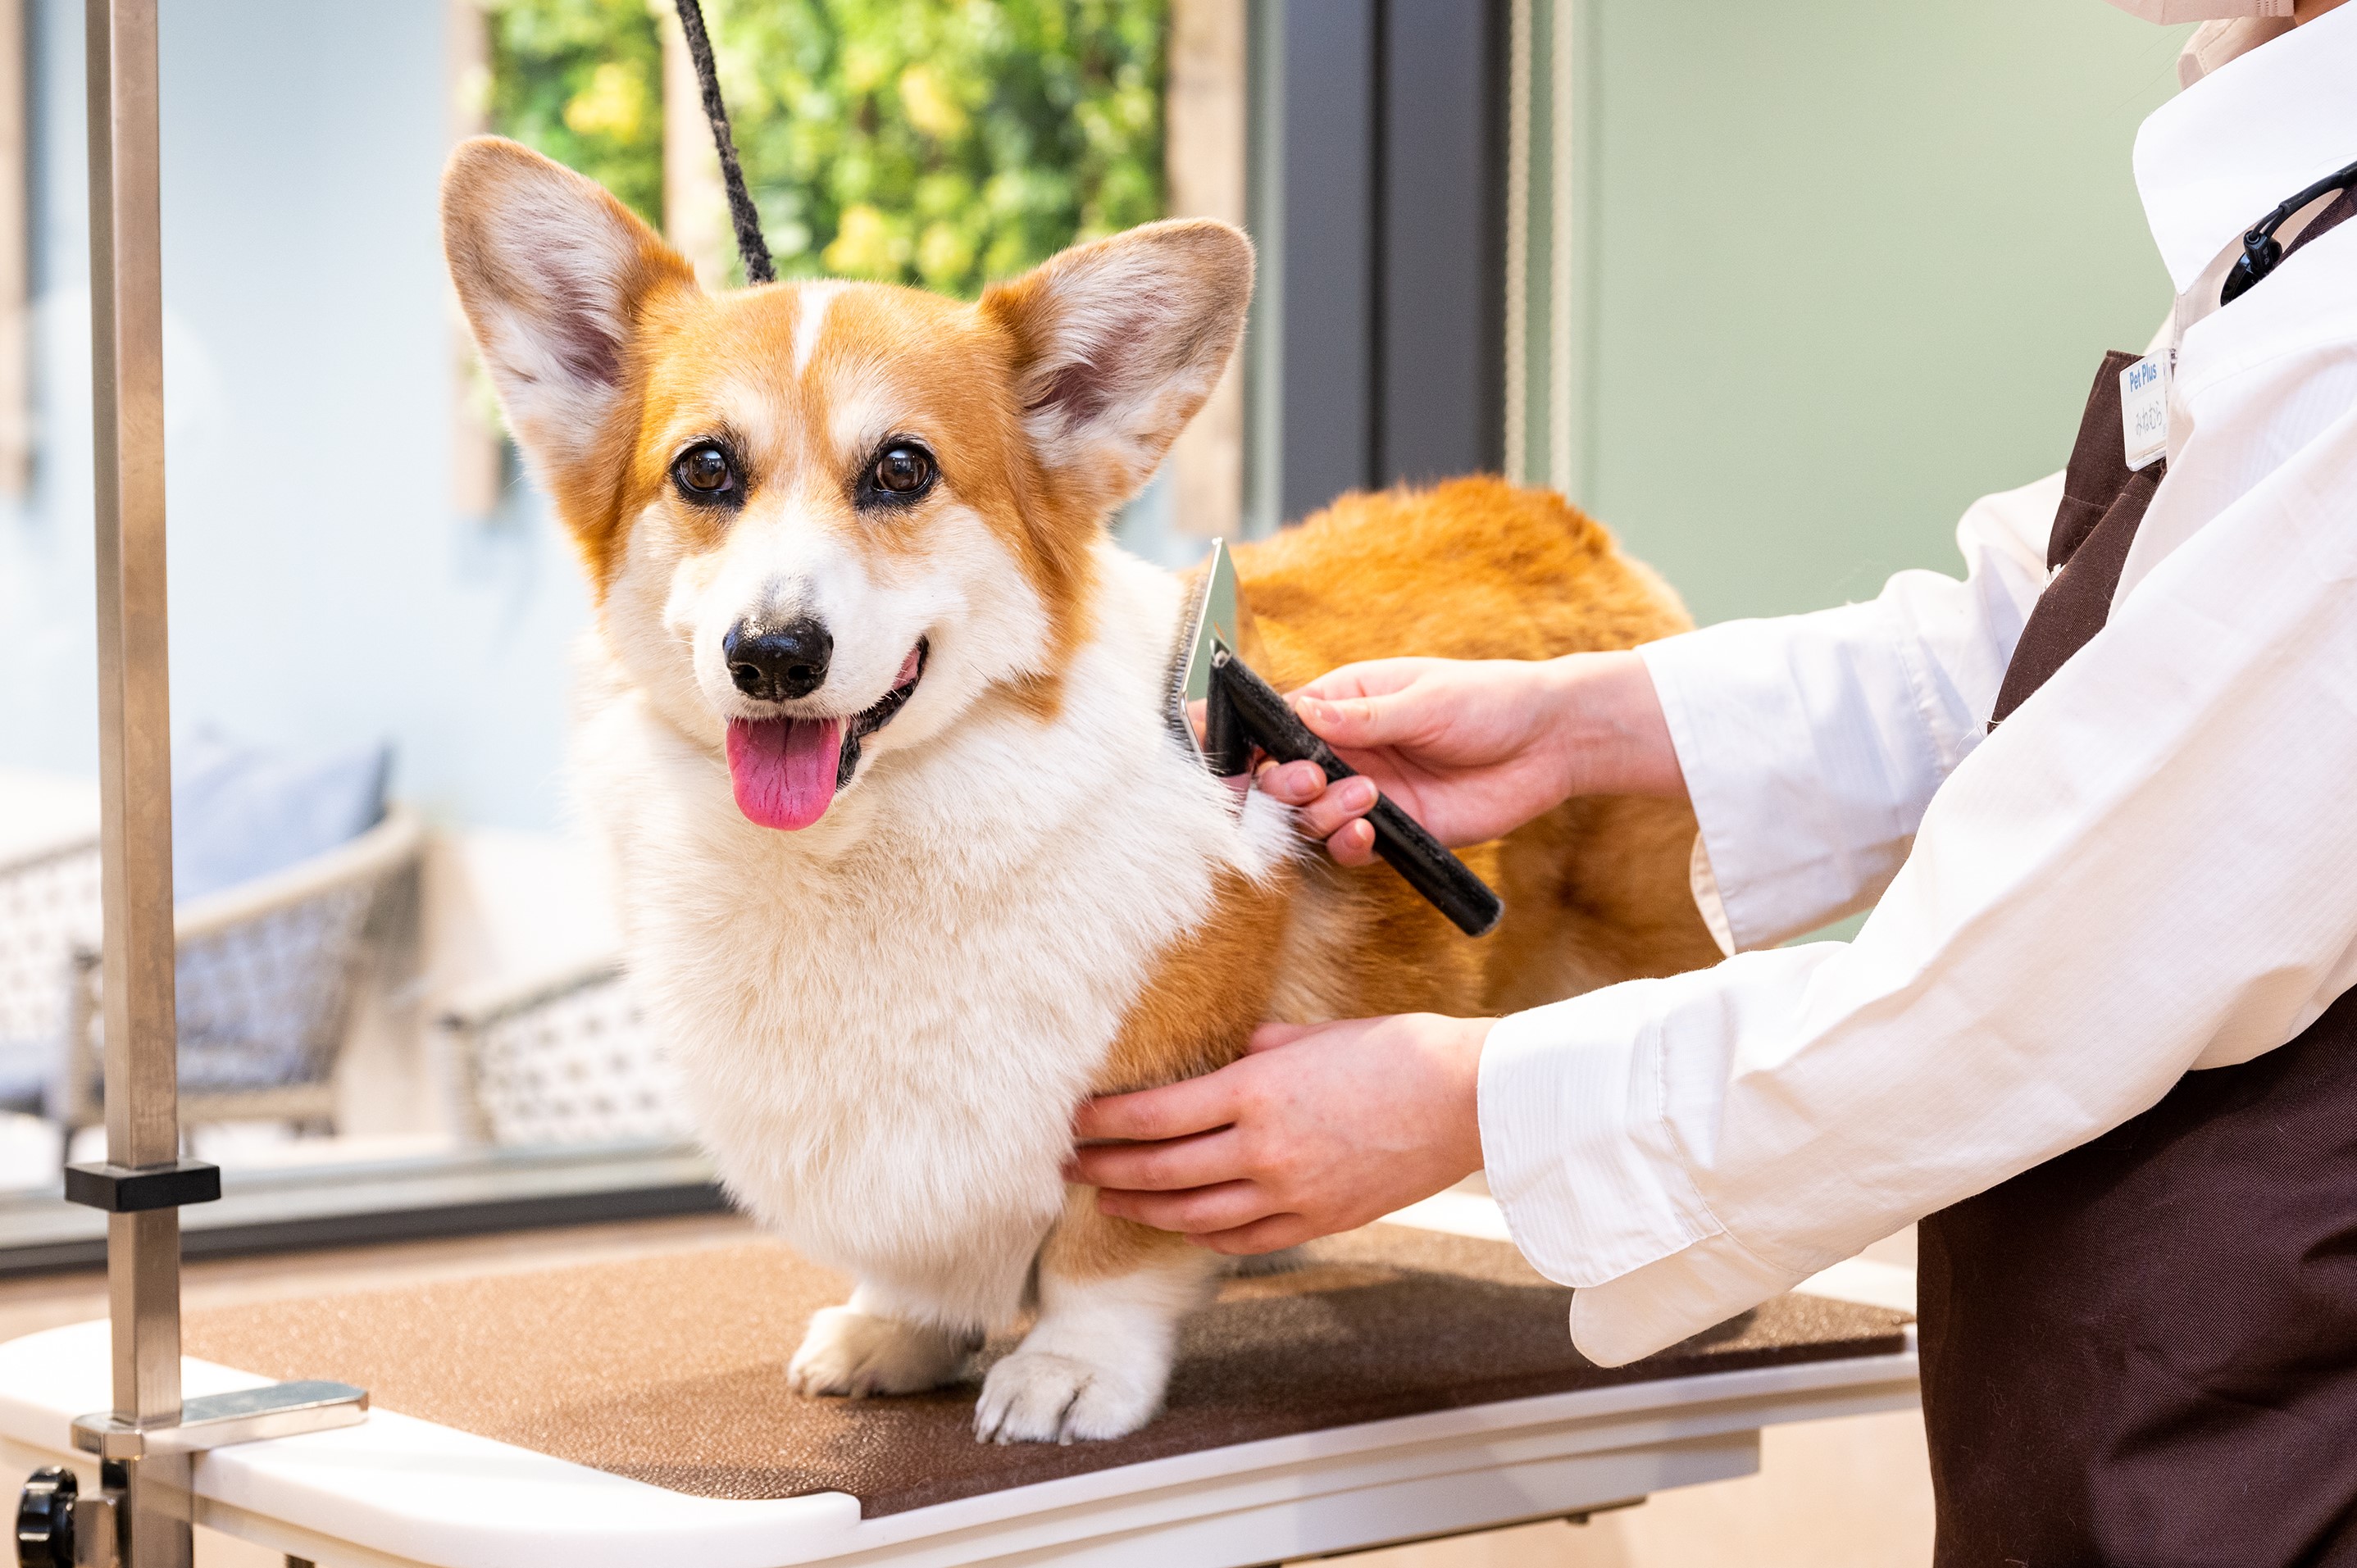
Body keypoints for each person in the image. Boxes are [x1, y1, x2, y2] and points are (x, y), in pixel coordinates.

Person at [1066, 1, 2357, 1558]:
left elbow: (2029, 974)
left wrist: (1476, 1099)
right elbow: (2060, 647)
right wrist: (1592, 720)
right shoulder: (2288, 222)